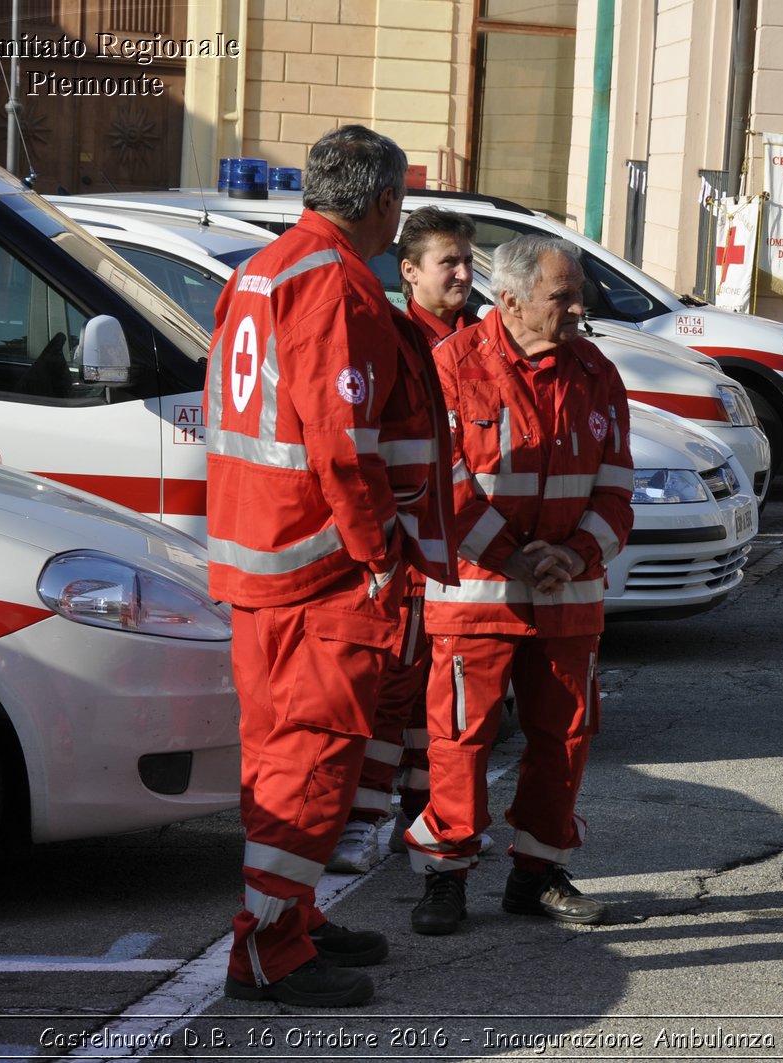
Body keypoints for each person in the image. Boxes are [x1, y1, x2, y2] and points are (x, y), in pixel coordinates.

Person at [205, 125, 456, 1009]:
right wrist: (379, 555)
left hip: (265, 563)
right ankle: (271, 948)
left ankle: (291, 917)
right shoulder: (334, 282)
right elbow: (342, 447)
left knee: (286, 759)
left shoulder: (262, 268)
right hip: (318, 571)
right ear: (384, 203)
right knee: (310, 762)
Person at [402, 233, 634, 936]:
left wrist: (575, 554)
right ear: (509, 301)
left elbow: (618, 488)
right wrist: (511, 556)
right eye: (561, 297)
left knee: (563, 737)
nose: (576, 309)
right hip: (477, 594)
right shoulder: (449, 367)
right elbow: (438, 483)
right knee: (459, 739)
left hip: (569, 596)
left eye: (577, 295)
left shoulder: (597, 372)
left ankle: (538, 872)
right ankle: (445, 873)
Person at [327, 206, 490, 874]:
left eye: (466, 261)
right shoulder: (395, 340)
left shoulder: (485, 342)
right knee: (394, 696)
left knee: (442, 700)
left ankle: (423, 814)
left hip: (473, 555)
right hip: (414, 552)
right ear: (409, 272)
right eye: (447, 262)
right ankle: (362, 819)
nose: (461, 273)